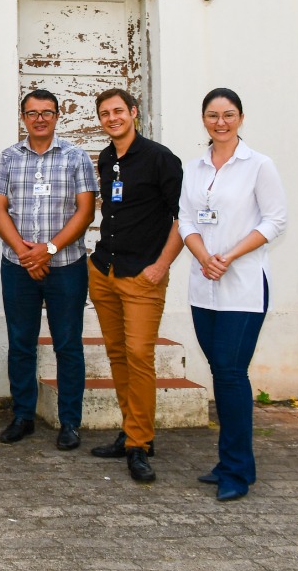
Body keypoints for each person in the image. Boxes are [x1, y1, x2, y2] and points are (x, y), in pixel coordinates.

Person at [180, 88, 286, 501]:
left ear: (240, 117)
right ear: (203, 119)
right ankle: (232, 462)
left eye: (228, 115)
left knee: (229, 372)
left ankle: (237, 472)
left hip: (242, 286)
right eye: (212, 115)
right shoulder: (195, 167)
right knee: (222, 373)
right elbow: (186, 218)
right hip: (203, 285)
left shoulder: (259, 165)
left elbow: (276, 220)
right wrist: (206, 257)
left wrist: (228, 256)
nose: (219, 122)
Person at [0, 89, 97, 450]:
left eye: (46, 112)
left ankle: (70, 422)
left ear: (56, 117)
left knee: (68, 345)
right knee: (21, 343)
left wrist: (48, 250)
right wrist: (25, 253)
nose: (39, 118)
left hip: (66, 265)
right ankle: (23, 416)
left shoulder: (76, 157)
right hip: (18, 265)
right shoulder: (8, 157)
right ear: (23, 117)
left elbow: (86, 211)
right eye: (32, 113)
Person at [87, 89, 184, 483]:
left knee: (140, 356)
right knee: (117, 355)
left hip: (143, 275)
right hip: (105, 271)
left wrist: (161, 266)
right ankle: (132, 430)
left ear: (133, 113)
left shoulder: (162, 159)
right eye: (104, 113)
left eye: (118, 111)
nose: (112, 118)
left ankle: (139, 444)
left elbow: (184, 219)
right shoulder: (108, 158)